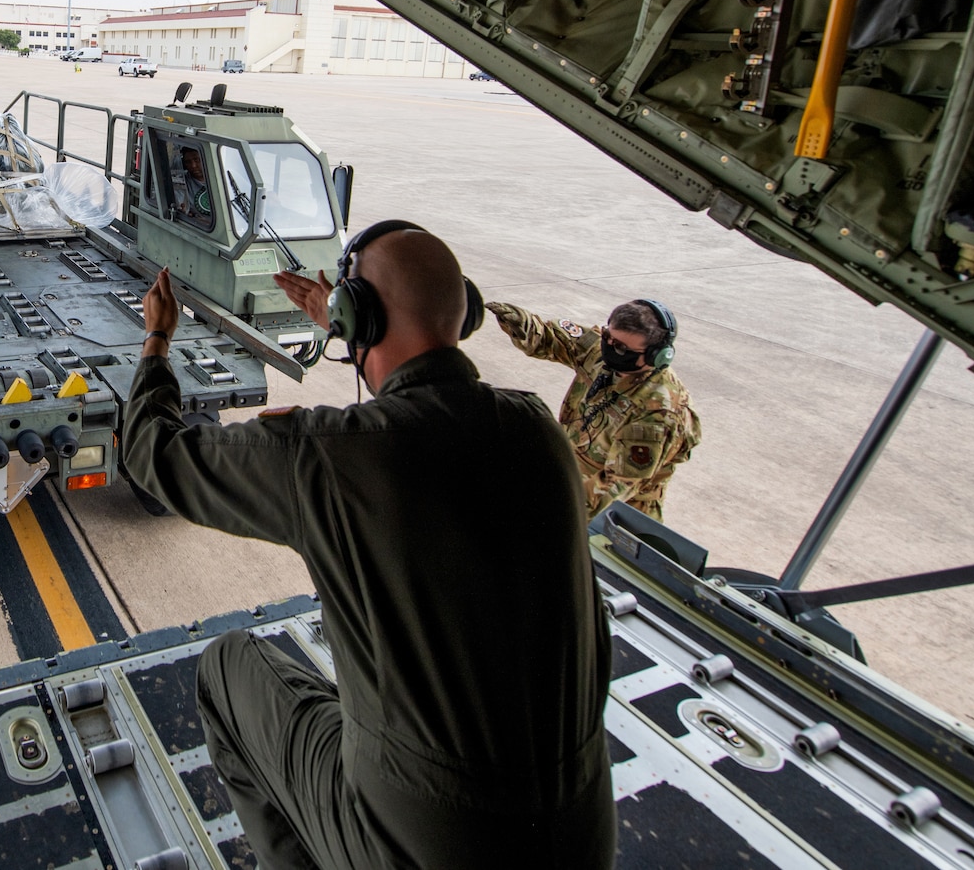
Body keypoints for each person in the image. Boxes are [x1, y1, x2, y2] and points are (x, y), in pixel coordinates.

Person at [121, 222, 613, 870]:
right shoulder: (537, 429)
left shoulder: (341, 456)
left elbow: (154, 454)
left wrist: (157, 338)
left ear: (361, 317)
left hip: (420, 845)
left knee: (229, 668)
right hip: (581, 837)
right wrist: (349, 317)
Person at [484, 297, 701, 520]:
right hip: (571, 480)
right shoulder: (603, 351)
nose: (610, 349)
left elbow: (615, 486)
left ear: (656, 356)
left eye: (622, 348)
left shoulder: (658, 411)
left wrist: (551, 510)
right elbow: (553, 339)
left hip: (614, 517)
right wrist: (519, 322)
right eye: (609, 338)